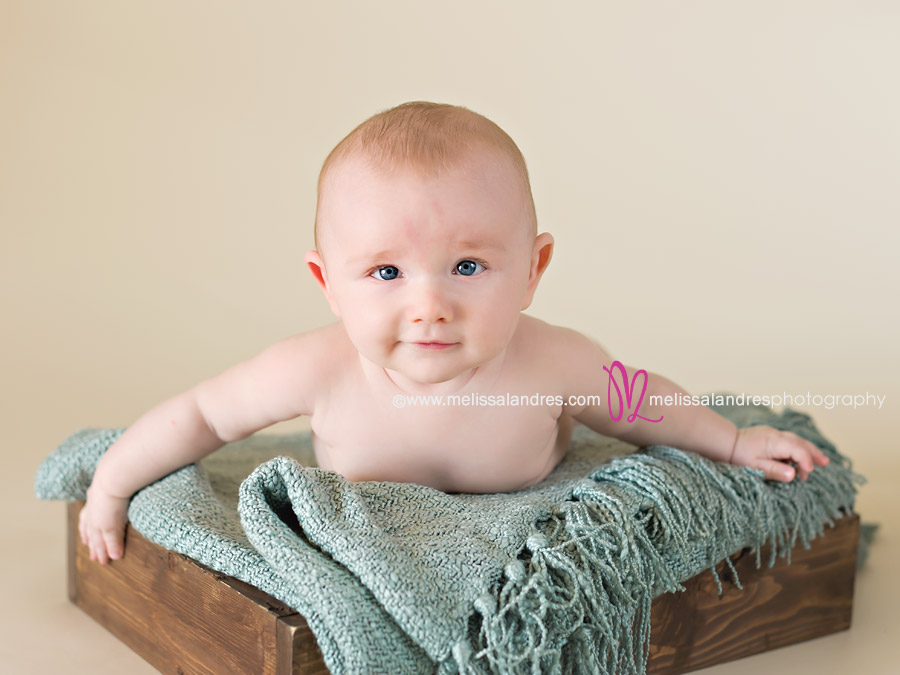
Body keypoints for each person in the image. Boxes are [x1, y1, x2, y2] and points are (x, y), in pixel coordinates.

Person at [79, 101, 829, 564]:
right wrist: (111, 486)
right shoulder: (317, 367)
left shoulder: (553, 360)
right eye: (385, 274)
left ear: (533, 269)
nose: (430, 305)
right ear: (327, 284)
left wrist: (732, 442)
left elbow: (640, 404)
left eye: (468, 265)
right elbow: (203, 414)